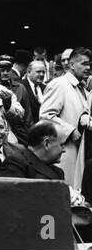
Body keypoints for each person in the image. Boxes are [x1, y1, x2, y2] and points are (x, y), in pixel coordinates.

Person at [40, 47, 90, 189]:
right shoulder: (59, 84)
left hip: (81, 150)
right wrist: (70, 131)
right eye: (84, 63)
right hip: (65, 149)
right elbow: (45, 116)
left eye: (89, 64)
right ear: (72, 65)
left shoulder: (83, 87)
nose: (88, 68)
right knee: (68, 192)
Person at [0, 120, 65, 179]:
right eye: (61, 145)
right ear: (46, 143)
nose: (63, 150)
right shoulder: (16, 165)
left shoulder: (58, 172)